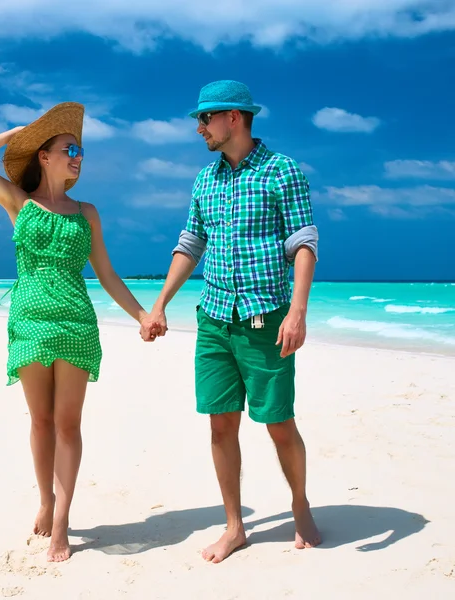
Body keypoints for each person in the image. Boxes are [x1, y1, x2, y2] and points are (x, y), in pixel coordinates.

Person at [0, 102, 157, 562]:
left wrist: (142, 315)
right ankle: (46, 500)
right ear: (43, 157)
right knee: (41, 421)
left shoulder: (86, 212)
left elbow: (107, 275)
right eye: (69, 148)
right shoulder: (19, 203)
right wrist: (19, 133)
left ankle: (63, 520)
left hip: (74, 321)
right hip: (30, 322)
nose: (77, 156)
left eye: (81, 151)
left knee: (68, 423)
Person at [140, 80, 322, 563]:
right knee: (221, 426)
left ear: (234, 118)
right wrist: (159, 304)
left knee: (279, 423)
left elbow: (304, 241)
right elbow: (191, 243)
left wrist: (298, 312)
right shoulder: (206, 179)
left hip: (267, 318)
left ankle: (300, 504)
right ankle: (235, 526)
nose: (199, 128)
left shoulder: (282, 171)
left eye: (205, 118)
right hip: (215, 319)